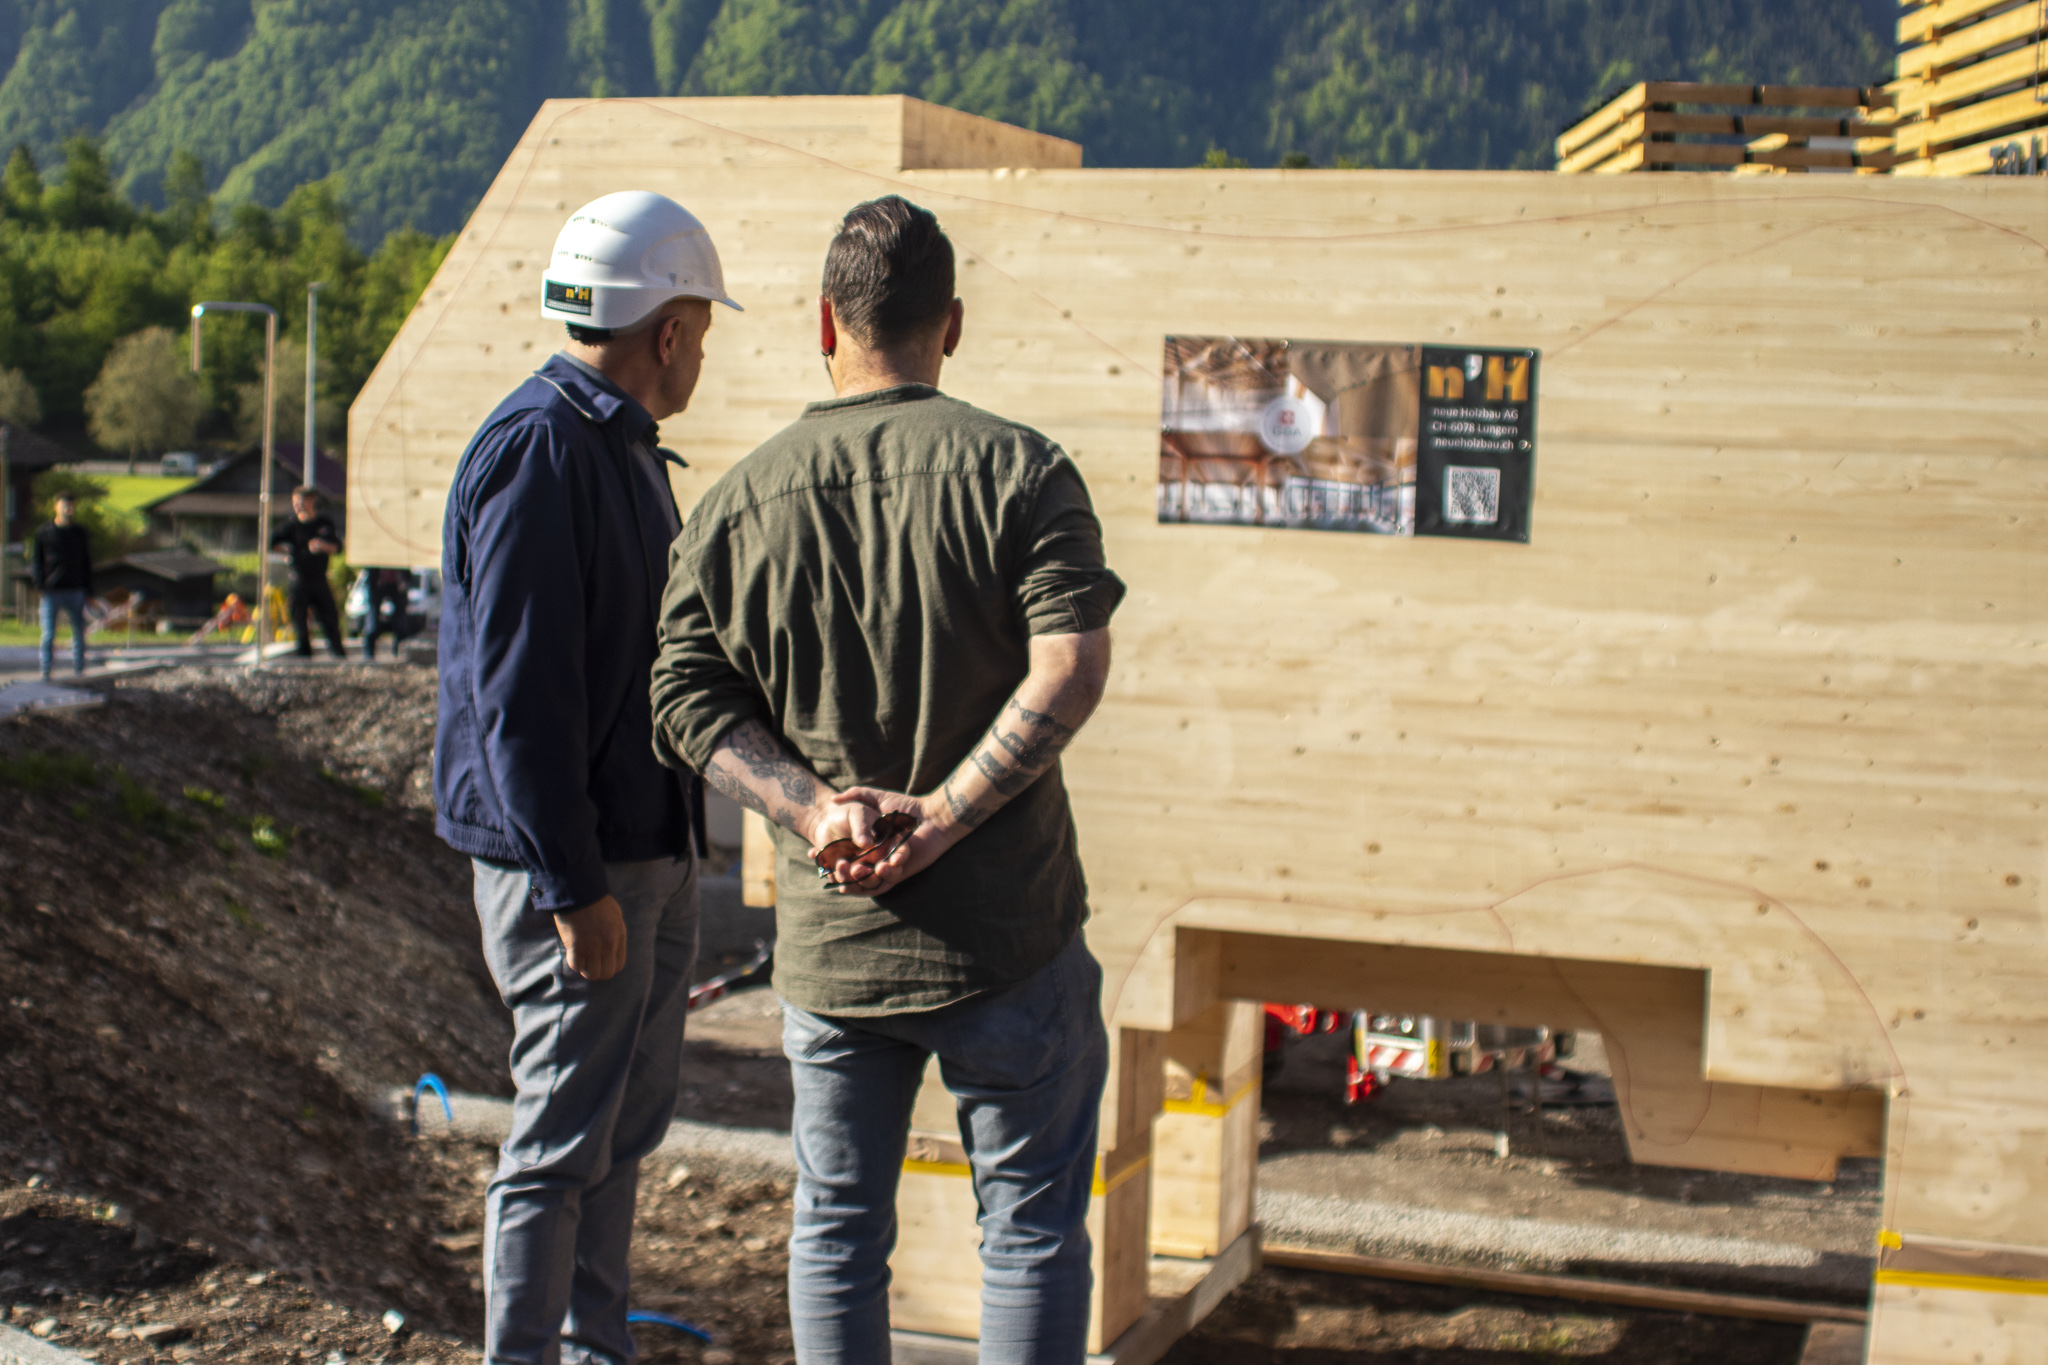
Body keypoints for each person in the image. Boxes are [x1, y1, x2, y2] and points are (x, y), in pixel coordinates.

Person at [650, 195, 1125, 1365]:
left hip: (834, 944)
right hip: (1006, 937)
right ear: (949, 325)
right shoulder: (1023, 472)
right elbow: (1069, 669)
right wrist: (948, 819)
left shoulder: (737, 505)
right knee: (1026, 1237)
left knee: (835, 1233)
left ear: (824, 321)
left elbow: (681, 700)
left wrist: (815, 810)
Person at [434, 189, 736, 1365]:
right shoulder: (540, 451)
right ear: (666, 332)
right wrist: (571, 887)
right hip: (580, 866)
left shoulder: (614, 446)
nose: (701, 353)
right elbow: (520, 695)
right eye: (701, 331)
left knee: (618, 1127)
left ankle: (592, 1347)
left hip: (642, 851)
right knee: (560, 1140)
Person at [270, 486, 346, 659]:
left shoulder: (323, 524)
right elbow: (271, 542)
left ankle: (338, 654)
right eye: (295, 502)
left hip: (319, 578)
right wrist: (288, 551)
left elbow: (338, 547)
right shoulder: (291, 526)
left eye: (301, 502)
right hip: (299, 578)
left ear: (311, 502)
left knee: (329, 618)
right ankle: (304, 656)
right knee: (299, 619)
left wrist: (322, 546)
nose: (298, 506)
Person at [31, 493, 92, 680]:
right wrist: (39, 585)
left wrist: (89, 589)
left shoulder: (79, 533)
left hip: (75, 590)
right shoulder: (44, 532)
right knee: (48, 634)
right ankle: (46, 671)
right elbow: (37, 561)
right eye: (64, 505)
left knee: (79, 633)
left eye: (71, 506)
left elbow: (86, 562)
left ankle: (79, 670)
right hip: (52, 591)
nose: (68, 509)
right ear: (56, 507)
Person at [361, 567, 411, 660]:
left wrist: (404, 580)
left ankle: (400, 653)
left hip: (397, 581)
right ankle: (369, 654)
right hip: (377, 580)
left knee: (401, 623)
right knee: (372, 622)